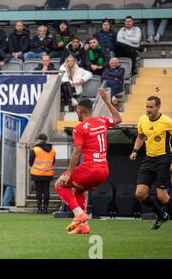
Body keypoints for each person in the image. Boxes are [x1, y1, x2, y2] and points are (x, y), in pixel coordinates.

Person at [55, 88, 122, 234]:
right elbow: (118, 119)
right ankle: (83, 227)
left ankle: (79, 215)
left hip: (90, 169)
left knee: (60, 185)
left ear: (79, 111)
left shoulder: (79, 128)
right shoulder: (102, 121)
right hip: (104, 171)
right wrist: (106, 101)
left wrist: (69, 173)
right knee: (79, 190)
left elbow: (77, 151)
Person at [129, 96, 172, 230]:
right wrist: (135, 150)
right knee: (140, 193)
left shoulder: (167, 122)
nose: (148, 109)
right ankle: (161, 214)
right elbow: (141, 136)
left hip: (164, 159)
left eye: (151, 107)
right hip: (149, 159)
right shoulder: (142, 119)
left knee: (162, 196)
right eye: (147, 106)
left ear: (158, 107)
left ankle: (163, 214)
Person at [29, 134, 56, 214]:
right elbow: (53, 162)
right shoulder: (53, 150)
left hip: (37, 173)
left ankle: (39, 209)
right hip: (48, 173)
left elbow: (30, 161)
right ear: (46, 140)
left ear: (39, 140)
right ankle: (45, 209)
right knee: (46, 191)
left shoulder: (35, 149)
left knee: (39, 191)